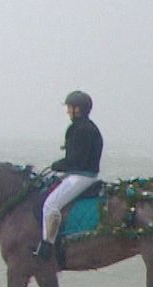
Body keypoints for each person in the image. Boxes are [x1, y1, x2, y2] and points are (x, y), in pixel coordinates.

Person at [35, 90, 103, 261]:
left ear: (77, 109)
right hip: (83, 174)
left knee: (50, 205)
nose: (67, 111)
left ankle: (47, 245)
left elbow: (74, 160)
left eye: (69, 107)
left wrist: (56, 165)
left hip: (81, 176)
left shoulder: (79, 129)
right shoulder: (88, 127)